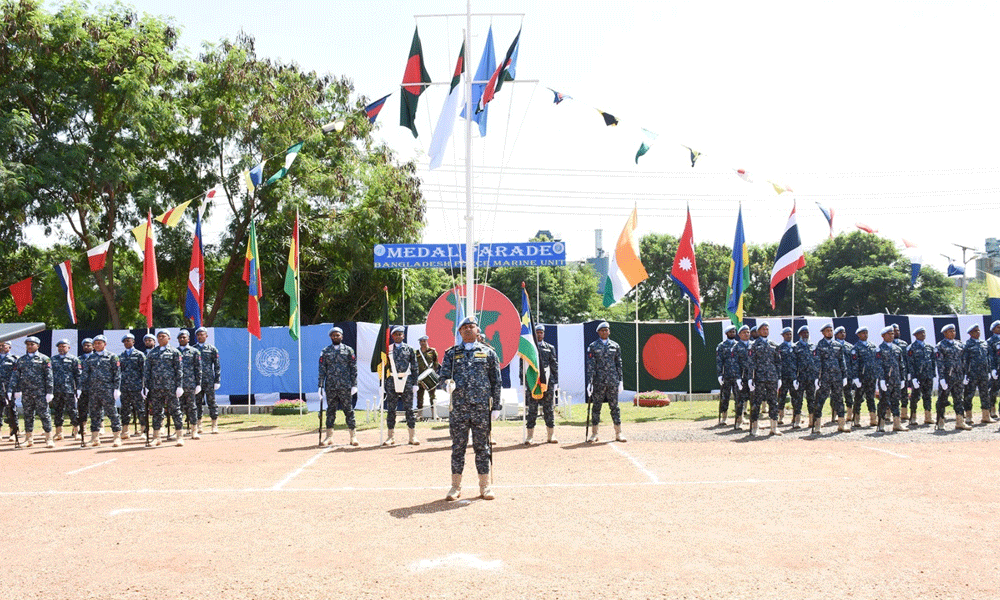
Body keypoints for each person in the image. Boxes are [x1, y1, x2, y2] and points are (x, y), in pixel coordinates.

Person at [437, 316, 502, 501]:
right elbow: (442, 378)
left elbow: (496, 381)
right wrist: (447, 385)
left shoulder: (489, 353)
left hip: (481, 408)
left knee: (482, 447)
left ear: (477, 330)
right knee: (458, 447)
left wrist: (496, 406)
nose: (467, 329)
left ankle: (485, 486)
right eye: (464, 327)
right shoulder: (451, 353)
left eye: (471, 326)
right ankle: (455, 486)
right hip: (459, 408)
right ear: (459, 332)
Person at [318, 326, 359, 447]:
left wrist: (354, 385)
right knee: (330, 411)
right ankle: (329, 437)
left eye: (338, 335)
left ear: (342, 336)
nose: (335, 337)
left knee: (349, 411)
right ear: (330, 337)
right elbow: (322, 369)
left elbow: (353, 369)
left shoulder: (348, 350)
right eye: (333, 335)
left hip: (345, 386)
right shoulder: (325, 351)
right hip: (331, 386)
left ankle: (353, 436)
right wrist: (320, 386)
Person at [143, 329, 185, 446]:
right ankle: (156, 437)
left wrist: (179, 386)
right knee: (156, 412)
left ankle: (179, 436)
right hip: (156, 387)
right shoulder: (152, 353)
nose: (161, 338)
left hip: (171, 387)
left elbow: (179, 370)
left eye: (163, 336)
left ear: (169, 338)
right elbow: (147, 371)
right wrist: (145, 387)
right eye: (159, 336)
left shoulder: (175, 352)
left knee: (175, 411)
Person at [585, 321, 625, 443]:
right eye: (602, 330)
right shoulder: (593, 346)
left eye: (606, 330)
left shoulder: (615, 346)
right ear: (598, 332)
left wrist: (621, 380)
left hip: (612, 380)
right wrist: (590, 382)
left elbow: (619, 364)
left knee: (615, 407)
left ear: (609, 331)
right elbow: (590, 365)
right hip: (598, 381)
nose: (604, 332)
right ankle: (594, 433)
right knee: (596, 407)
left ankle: (618, 433)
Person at [10, 337, 54, 448]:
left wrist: (49, 392)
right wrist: (14, 389)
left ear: (38, 346)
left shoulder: (44, 359)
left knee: (44, 415)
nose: (29, 346)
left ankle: (49, 438)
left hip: (40, 392)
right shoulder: (21, 360)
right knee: (28, 415)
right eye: (28, 344)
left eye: (32, 344)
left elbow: (49, 376)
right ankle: (28, 439)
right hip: (26, 392)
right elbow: (15, 376)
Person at [81, 335, 123, 447]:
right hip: (93, 391)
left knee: (112, 413)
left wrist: (116, 388)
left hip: (107, 390)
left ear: (105, 344)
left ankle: (117, 437)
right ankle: (95, 438)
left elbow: (117, 374)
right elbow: (85, 375)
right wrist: (80, 388)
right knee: (94, 414)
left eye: (100, 343)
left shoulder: (112, 357)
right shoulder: (90, 358)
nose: (97, 345)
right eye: (95, 343)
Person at [381, 326, 419, 446]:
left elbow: (415, 367)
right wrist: (381, 383)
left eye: (400, 334)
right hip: (391, 380)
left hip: (406, 380)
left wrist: (415, 383)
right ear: (392, 336)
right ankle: (390, 436)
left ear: (403, 336)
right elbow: (383, 367)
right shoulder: (388, 349)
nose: (398, 336)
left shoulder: (409, 349)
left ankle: (412, 436)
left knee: (409, 409)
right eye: (396, 334)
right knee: (391, 409)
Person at [523, 324, 559, 444]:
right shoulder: (529, 348)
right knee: (532, 409)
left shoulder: (550, 347)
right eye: (537, 332)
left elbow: (554, 365)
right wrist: (523, 382)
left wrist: (556, 382)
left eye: (541, 332)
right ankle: (529, 436)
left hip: (547, 382)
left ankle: (551, 435)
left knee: (548, 409)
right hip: (533, 382)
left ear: (544, 334)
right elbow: (523, 366)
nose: (539, 334)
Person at [813, 323, 847, 434]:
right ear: (823, 333)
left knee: (839, 400)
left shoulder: (838, 345)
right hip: (825, 377)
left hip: (837, 377)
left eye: (831, 330)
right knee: (820, 400)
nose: (830, 332)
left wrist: (844, 376)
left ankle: (842, 424)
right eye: (827, 331)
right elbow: (817, 362)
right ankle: (817, 425)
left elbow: (842, 361)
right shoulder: (820, 345)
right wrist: (817, 378)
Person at [748, 321, 781, 436]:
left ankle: (774, 427)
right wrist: (750, 378)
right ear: (758, 331)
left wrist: (779, 377)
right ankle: (754, 427)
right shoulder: (754, 345)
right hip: (759, 378)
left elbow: (778, 362)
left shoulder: (773, 344)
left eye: (767, 329)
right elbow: (751, 363)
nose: (765, 331)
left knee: (773, 402)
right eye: (763, 329)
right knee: (756, 402)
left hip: (772, 377)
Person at [875, 326, 908, 432]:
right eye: (889, 334)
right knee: (884, 402)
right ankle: (881, 424)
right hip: (886, 380)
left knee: (896, 402)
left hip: (896, 379)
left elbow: (901, 365)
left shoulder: (897, 349)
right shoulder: (879, 349)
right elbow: (878, 365)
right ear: (883, 336)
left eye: (892, 333)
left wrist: (902, 379)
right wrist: (882, 380)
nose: (891, 336)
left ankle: (897, 424)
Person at [935, 324, 967, 431]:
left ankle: (960, 421)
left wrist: (965, 374)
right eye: (950, 331)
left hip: (958, 376)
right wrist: (942, 378)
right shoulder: (940, 345)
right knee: (942, 399)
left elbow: (964, 360)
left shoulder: (959, 344)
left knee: (959, 399)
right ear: (945, 333)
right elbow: (940, 363)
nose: (953, 333)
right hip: (947, 377)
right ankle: (940, 422)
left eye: (954, 331)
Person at [50, 339, 81, 441]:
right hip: (56, 389)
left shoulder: (74, 359)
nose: (61, 348)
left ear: (69, 347)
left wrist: (78, 388)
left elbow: (78, 375)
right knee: (58, 411)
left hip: (69, 389)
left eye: (63, 346)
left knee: (72, 411)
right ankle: (59, 432)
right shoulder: (53, 359)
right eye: (59, 347)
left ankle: (76, 431)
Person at [906, 326, 937, 426]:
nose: (923, 335)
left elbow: (933, 361)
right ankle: (913, 417)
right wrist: (913, 377)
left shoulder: (929, 347)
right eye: (920, 333)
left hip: (928, 376)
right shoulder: (911, 348)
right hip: (918, 377)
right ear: (915, 335)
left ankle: (928, 417)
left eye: (924, 333)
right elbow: (910, 364)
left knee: (928, 396)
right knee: (915, 397)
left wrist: (933, 374)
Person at [194, 327, 222, 434]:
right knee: (197, 403)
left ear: (206, 336)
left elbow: (217, 366)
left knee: (212, 402)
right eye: (198, 335)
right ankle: (198, 425)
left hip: (209, 380)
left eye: (202, 334)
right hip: (197, 381)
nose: (200, 336)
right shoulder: (193, 349)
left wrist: (217, 380)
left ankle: (214, 425)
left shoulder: (212, 349)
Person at [962, 323, 991, 425]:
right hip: (972, 374)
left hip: (983, 373)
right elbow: (965, 361)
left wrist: (989, 371)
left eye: (978, 330)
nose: (978, 332)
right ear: (970, 333)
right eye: (975, 331)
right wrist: (965, 374)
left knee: (985, 394)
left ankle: (986, 416)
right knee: (969, 395)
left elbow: (988, 358)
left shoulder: (984, 343)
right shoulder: (967, 345)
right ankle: (968, 416)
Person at [176, 330, 202, 441]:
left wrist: (198, 384)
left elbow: (198, 369)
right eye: (180, 337)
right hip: (177, 385)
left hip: (190, 384)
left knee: (192, 407)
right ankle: (178, 431)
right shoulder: (174, 351)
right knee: (178, 408)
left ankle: (194, 430)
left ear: (188, 339)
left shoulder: (194, 352)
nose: (182, 339)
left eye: (184, 337)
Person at [849, 327, 879, 428]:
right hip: (861, 378)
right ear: (858, 335)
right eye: (863, 333)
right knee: (858, 399)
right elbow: (854, 364)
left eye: (866, 333)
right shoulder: (856, 348)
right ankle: (856, 420)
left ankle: (873, 419)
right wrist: (855, 378)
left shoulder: (872, 346)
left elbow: (876, 361)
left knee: (871, 398)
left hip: (871, 376)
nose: (865, 335)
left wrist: (876, 374)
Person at [119, 333, 145, 439]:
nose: (126, 342)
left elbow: (144, 372)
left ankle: (143, 430)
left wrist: (144, 386)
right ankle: (125, 430)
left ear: (133, 342)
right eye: (125, 341)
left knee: (140, 409)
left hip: (137, 386)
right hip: (124, 387)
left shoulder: (139, 355)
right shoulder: (121, 356)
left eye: (128, 340)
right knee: (125, 409)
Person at [792, 326, 817, 429]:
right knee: (798, 400)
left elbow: (816, 361)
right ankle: (797, 421)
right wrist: (794, 378)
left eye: (807, 333)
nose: (805, 335)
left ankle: (812, 421)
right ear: (799, 335)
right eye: (803, 333)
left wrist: (817, 377)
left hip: (811, 377)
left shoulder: (813, 346)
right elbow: (793, 363)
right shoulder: (796, 347)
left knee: (811, 399)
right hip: (800, 377)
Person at [715, 324, 739, 425]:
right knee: (725, 397)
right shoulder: (721, 346)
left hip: (737, 376)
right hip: (727, 375)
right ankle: (724, 417)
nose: (732, 333)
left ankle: (739, 417)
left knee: (738, 397)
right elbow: (719, 361)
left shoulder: (738, 345)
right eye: (730, 332)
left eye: (734, 332)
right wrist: (720, 375)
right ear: (726, 334)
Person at [731, 325, 752, 430]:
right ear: (739, 335)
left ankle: (754, 421)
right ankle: (738, 421)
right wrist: (738, 378)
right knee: (740, 400)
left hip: (752, 377)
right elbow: (734, 364)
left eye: (748, 332)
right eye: (744, 332)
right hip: (741, 377)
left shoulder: (753, 345)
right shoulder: (736, 347)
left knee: (754, 400)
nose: (746, 334)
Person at [776, 326, 796, 426]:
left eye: (790, 334)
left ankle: (795, 417)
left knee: (795, 397)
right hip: (783, 376)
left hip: (793, 376)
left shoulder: (796, 347)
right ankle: (781, 416)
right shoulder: (779, 348)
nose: (789, 336)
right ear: (783, 336)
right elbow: (777, 362)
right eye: (787, 334)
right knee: (781, 397)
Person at [415, 335, 439, 418]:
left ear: (427, 341)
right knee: (419, 396)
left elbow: (436, 363)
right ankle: (419, 414)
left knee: (432, 396)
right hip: (420, 378)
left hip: (429, 377)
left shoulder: (432, 351)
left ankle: (434, 414)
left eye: (424, 341)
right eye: (421, 342)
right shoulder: (417, 353)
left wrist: (433, 373)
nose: (423, 343)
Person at [835, 326, 853, 423]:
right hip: (836, 374)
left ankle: (849, 414)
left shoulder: (849, 346)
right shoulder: (833, 345)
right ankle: (835, 415)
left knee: (848, 394)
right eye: (841, 332)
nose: (843, 334)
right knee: (836, 395)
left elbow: (853, 362)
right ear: (836, 334)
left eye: (844, 332)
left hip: (848, 374)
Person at [1, 341, 18, 440]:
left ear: (9, 347)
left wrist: (17, 389)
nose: (1, 347)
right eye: (0, 345)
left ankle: (13, 431)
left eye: (3, 345)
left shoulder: (14, 359)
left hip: (9, 388)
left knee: (11, 410)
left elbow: (17, 375)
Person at [77, 337, 94, 434]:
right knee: (82, 408)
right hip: (83, 387)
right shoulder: (79, 359)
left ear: (93, 346)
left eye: (88, 345)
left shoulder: (96, 357)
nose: (86, 347)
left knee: (96, 408)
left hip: (95, 387)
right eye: (84, 345)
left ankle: (100, 426)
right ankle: (83, 427)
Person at [987, 320, 1000, 421]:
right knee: (993, 390)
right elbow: (990, 356)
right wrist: (992, 369)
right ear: (993, 329)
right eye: (998, 327)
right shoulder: (990, 341)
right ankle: (992, 409)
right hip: (997, 369)